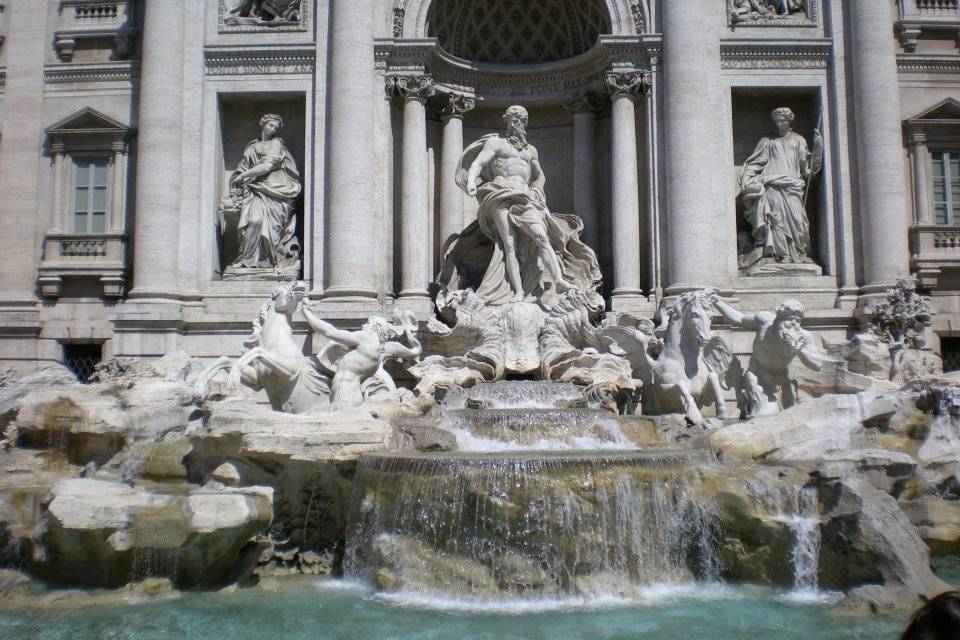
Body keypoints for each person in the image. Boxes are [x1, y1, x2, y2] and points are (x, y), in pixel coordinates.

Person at [455, 105, 599, 305]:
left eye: (522, 121)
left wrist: (537, 190)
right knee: (509, 245)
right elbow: (478, 164)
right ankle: (518, 292)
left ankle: (558, 280)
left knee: (541, 236)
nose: (519, 125)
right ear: (508, 122)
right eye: (515, 120)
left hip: (525, 198)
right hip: (500, 194)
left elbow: (540, 176)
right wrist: (471, 181)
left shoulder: (530, 150)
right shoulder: (496, 143)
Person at [712, 295, 827, 418]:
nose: (794, 324)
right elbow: (738, 319)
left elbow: (817, 366)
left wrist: (799, 350)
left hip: (781, 380)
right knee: (764, 416)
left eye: (798, 321)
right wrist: (716, 301)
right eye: (790, 319)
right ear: (778, 318)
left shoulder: (804, 337)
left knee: (790, 417)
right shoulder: (764, 321)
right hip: (757, 376)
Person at [738, 107, 822, 264]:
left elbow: (808, 170)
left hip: (793, 184)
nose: (779, 123)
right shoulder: (769, 141)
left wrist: (818, 149)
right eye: (777, 121)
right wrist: (748, 178)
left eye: (782, 120)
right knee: (777, 220)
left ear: (790, 120)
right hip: (773, 184)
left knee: (798, 220)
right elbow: (755, 163)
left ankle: (799, 252)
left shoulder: (799, 140)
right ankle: (781, 254)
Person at [301, 304, 422, 410]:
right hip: (354, 394)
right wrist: (410, 334)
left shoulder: (366, 338)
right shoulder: (385, 348)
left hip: (344, 394)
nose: (364, 325)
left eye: (368, 323)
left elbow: (331, 332)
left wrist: (307, 314)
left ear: (375, 326)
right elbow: (415, 351)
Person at [226, 113, 301, 272]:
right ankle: (247, 260)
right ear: (263, 125)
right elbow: (244, 166)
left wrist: (244, 176)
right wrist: (240, 179)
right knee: (254, 220)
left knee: (270, 228)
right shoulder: (252, 146)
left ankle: (268, 261)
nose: (273, 129)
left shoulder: (276, 144)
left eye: (276, 127)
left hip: (275, 190)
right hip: (255, 189)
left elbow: (266, 167)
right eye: (270, 125)